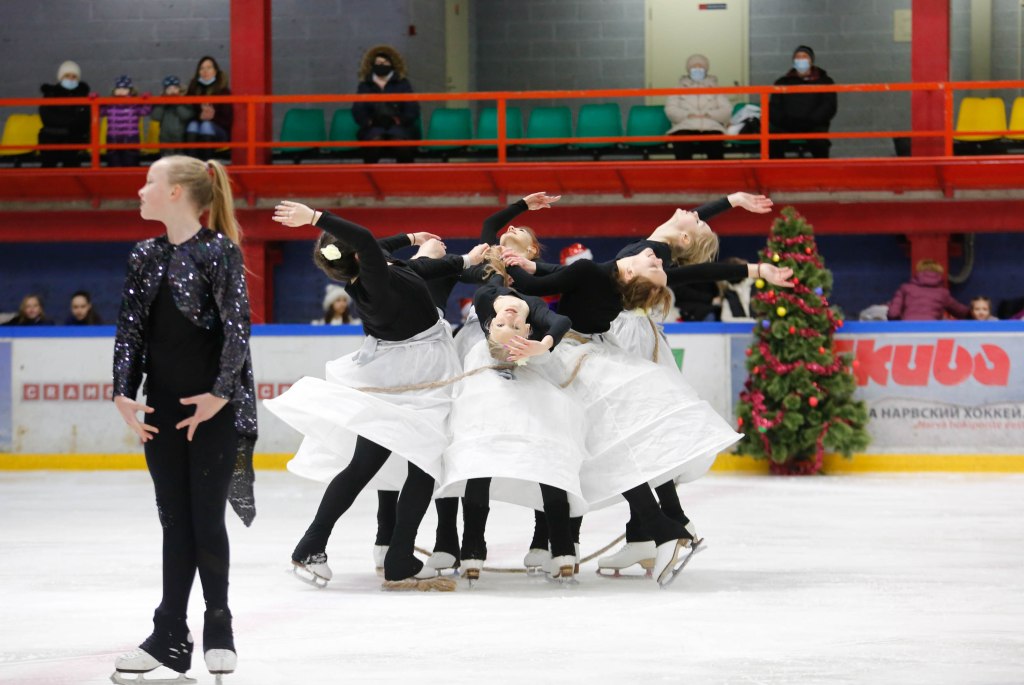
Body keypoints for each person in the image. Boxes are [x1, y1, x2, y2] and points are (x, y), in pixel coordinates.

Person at [264, 200, 488, 591]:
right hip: (417, 376)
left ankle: (312, 544)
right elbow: (368, 241)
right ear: (358, 256)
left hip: (397, 373)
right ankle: (398, 558)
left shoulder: (379, 270)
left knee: (365, 465)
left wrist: (419, 240)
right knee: (425, 463)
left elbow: (389, 253)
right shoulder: (374, 281)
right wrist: (315, 218)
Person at [111, 156, 256, 684]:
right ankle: (170, 635)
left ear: (176, 192)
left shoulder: (220, 251)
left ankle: (219, 626)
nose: (141, 189)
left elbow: (237, 330)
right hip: (162, 410)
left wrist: (219, 395)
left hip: (213, 411)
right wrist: (122, 391)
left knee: (206, 520)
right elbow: (130, 330)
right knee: (175, 523)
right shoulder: (144, 254)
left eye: (150, 181)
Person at [437, 273, 586, 584]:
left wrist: (540, 346)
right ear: (488, 326)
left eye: (514, 326)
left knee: (546, 452)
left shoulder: (489, 299)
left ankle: (558, 547)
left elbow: (560, 320)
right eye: (506, 325)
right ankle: (476, 547)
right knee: (480, 455)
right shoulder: (526, 307)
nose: (510, 318)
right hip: (490, 384)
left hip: (530, 375)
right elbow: (556, 320)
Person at [352, 45, 420, 164]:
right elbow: (358, 109)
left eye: (385, 63)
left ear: (392, 64)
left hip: (400, 125)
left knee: (400, 142)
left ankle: (405, 174)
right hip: (373, 126)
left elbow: (412, 108)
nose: (382, 65)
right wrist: (370, 122)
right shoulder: (365, 85)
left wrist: (398, 120)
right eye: (378, 63)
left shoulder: (402, 83)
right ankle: (371, 174)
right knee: (374, 141)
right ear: (372, 64)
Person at [768, 45, 837, 159]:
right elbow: (774, 107)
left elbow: (828, 106)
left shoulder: (825, 81)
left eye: (804, 57)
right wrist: (786, 121)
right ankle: (777, 169)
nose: (801, 60)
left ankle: (821, 169)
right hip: (786, 125)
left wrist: (811, 121)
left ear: (811, 60)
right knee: (774, 141)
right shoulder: (782, 82)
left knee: (820, 143)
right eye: (798, 57)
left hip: (814, 126)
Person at [665, 54, 733, 160]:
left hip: (711, 124)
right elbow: (670, 108)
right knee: (681, 139)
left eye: (700, 67)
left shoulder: (715, 88)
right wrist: (687, 115)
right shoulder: (678, 88)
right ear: (688, 69)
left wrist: (710, 115)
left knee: (715, 140)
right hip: (686, 124)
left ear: (706, 69)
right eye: (694, 67)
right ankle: (683, 170)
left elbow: (726, 109)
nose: (697, 69)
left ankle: (716, 170)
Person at [39, 60, 90, 168]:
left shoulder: (82, 95)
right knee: (48, 166)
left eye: (74, 76)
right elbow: (46, 116)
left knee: (71, 166)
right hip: (51, 136)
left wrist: (69, 124)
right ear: (61, 77)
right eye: (67, 76)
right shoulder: (50, 94)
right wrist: (70, 122)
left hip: (74, 137)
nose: (70, 79)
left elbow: (85, 117)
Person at [887, 259, 969, 321]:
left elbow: (893, 313)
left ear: (919, 271)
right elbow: (961, 311)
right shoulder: (942, 293)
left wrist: (900, 325)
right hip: (932, 330)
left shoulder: (905, 288)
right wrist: (973, 313)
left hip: (908, 329)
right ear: (939, 273)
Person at [185, 56, 233, 153]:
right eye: (202, 68)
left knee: (206, 125)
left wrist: (212, 117)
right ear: (198, 72)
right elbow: (186, 112)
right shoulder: (193, 89)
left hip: (219, 131)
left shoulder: (223, 91)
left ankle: (207, 160)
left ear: (215, 71)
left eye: (209, 68)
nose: (205, 71)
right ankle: (192, 159)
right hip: (197, 127)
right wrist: (200, 117)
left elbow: (228, 119)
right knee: (193, 125)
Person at [102, 76, 151, 167]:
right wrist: (94, 98)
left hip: (131, 138)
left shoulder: (135, 104)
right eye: (118, 88)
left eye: (124, 88)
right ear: (114, 90)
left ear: (130, 91)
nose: (121, 91)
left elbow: (145, 111)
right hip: (113, 138)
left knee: (131, 163)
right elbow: (99, 112)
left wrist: (147, 100)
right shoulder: (110, 104)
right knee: (113, 165)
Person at [150, 76, 194, 157]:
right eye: (169, 89)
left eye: (175, 88)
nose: (172, 91)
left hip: (181, 137)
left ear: (179, 89)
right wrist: (162, 104)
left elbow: (186, 116)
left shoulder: (185, 101)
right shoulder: (161, 102)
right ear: (165, 91)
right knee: (166, 158)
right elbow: (156, 117)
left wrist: (178, 104)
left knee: (180, 158)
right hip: (165, 138)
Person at [718, 256, 756, 322]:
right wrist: (750, 321)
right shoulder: (729, 294)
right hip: (742, 328)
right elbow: (725, 318)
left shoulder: (756, 287)